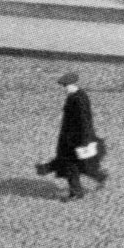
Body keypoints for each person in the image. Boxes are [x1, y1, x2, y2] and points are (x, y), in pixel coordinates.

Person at [41, 72, 108, 200]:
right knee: (79, 164)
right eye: (64, 86)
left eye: (67, 85)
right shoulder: (77, 96)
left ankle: (77, 192)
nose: (65, 88)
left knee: (71, 166)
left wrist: (84, 141)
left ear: (73, 84)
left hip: (75, 140)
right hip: (72, 139)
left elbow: (84, 121)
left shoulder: (78, 99)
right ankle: (98, 177)